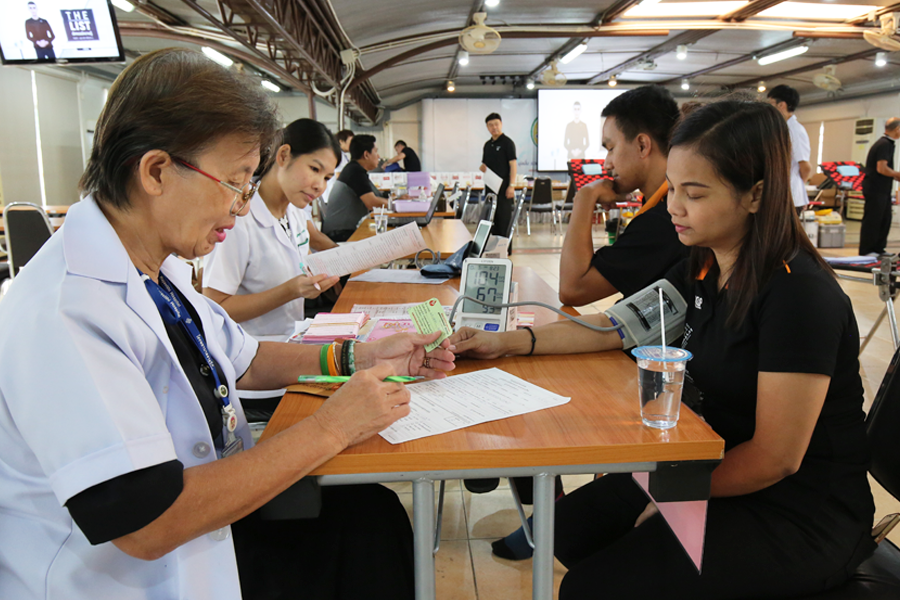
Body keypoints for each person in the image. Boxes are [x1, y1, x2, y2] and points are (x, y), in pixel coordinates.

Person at [0, 48, 456, 600]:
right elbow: (147, 524)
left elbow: (245, 357)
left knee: (370, 518)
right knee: (361, 539)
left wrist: (362, 356)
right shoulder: (66, 310)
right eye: (237, 182)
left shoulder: (154, 269)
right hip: (130, 576)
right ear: (156, 170)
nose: (242, 208)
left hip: (202, 532)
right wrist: (333, 427)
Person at [450, 100, 875, 599]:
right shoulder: (703, 265)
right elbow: (615, 327)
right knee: (563, 529)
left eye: (693, 194)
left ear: (756, 194)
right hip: (712, 461)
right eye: (672, 187)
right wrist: (505, 343)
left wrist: (680, 495)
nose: (673, 205)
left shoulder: (797, 294)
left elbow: (776, 457)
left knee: (590, 589)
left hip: (797, 509)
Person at [202, 118, 342, 341]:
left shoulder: (295, 213)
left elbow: (311, 242)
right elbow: (216, 306)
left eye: (326, 178)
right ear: (284, 155)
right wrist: (292, 290)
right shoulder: (238, 220)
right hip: (247, 348)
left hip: (289, 337)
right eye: (314, 169)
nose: (319, 185)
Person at [559, 85, 687, 306]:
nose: (607, 164)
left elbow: (573, 289)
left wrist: (584, 198)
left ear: (642, 145)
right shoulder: (666, 203)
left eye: (610, 148)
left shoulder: (664, 220)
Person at [325, 134, 389, 242]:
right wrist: (399, 205)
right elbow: (372, 202)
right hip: (341, 233)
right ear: (366, 155)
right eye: (376, 152)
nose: (378, 156)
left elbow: (375, 197)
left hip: (346, 229)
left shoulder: (355, 169)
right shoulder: (355, 172)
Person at [767, 84, 812, 215]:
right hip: (780, 193)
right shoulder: (782, 128)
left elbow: (805, 166)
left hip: (791, 195)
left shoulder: (795, 130)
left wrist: (799, 188)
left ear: (781, 105)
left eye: (771, 104)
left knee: (784, 235)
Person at [860, 117, 900, 255]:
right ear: (897, 129)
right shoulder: (884, 144)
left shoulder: (888, 143)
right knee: (873, 219)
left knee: (885, 219)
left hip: (883, 189)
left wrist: (895, 175)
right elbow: (881, 168)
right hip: (875, 188)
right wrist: (897, 174)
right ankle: (866, 250)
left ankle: (878, 248)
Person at [480, 112, 518, 249]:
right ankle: (492, 249)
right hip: (490, 187)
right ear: (487, 127)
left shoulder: (507, 143)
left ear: (501, 124)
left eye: (496, 124)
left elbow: (513, 164)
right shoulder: (487, 145)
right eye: (490, 125)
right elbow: (485, 165)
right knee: (491, 219)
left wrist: (512, 186)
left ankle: (505, 250)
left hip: (504, 189)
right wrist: (483, 168)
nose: (494, 127)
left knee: (504, 220)